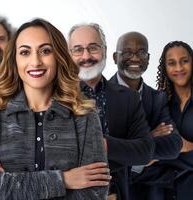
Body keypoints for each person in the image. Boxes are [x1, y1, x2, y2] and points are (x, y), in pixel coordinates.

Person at [0, 18, 109, 200]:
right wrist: (63, 180)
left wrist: (8, 182)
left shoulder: (85, 117)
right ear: (14, 60)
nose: (35, 61)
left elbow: (95, 192)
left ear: (58, 56)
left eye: (45, 51)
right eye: (25, 52)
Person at [68, 23, 155, 200]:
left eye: (93, 48)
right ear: (69, 55)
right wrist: (124, 152)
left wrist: (102, 144)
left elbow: (145, 151)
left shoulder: (128, 97)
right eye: (78, 50)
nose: (86, 56)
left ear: (105, 51)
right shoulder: (54, 96)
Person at [110, 32, 182, 199]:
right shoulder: (99, 95)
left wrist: (126, 149)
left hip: (150, 193)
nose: (135, 58)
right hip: (113, 192)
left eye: (142, 52)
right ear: (115, 57)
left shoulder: (158, 99)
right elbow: (99, 152)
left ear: (148, 59)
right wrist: (149, 138)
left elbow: (174, 145)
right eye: (127, 52)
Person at [155, 41, 193, 200]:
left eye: (184, 61)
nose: (178, 68)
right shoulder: (158, 104)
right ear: (165, 68)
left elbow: (159, 154)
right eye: (171, 63)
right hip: (168, 192)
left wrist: (183, 146)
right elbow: (150, 159)